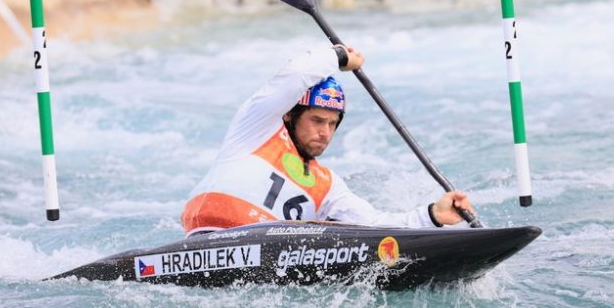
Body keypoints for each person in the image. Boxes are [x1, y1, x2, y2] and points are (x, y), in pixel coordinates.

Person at [181, 45, 476, 236]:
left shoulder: (327, 184)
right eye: (317, 120)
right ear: (289, 116)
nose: (325, 132)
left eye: (333, 124)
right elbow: (295, 73)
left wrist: (433, 216)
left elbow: (373, 225)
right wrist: (338, 57)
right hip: (205, 235)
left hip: (266, 252)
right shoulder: (256, 128)